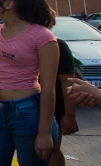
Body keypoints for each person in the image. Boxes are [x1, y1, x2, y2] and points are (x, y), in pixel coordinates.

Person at [0, 0, 59, 165]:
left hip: (27, 113)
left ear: (9, 4)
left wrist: (44, 132)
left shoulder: (43, 37)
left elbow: (49, 87)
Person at [48, 38, 79, 166]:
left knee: (51, 149)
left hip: (54, 107)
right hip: (28, 104)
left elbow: (68, 82)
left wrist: (70, 115)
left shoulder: (57, 44)